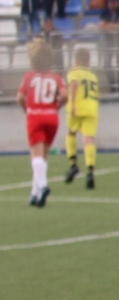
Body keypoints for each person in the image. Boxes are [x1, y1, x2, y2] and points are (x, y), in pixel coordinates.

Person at [18, 40, 67, 207]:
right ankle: (36, 195)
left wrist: (27, 109)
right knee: (43, 155)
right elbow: (65, 95)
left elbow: (20, 98)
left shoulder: (29, 77)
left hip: (35, 116)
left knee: (35, 154)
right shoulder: (56, 77)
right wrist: (56, 107)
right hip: (52, 117)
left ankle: (43, 185)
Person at [62, 47, 100, 189]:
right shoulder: (92, 75)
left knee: (71, 133)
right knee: (88, 139)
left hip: (77, 107)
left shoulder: (74, 72)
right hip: (92, 108)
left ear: (76, 60)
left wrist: (72, 106)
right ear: (89, 61)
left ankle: (73, 165)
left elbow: (73, 85)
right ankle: (90, 171)